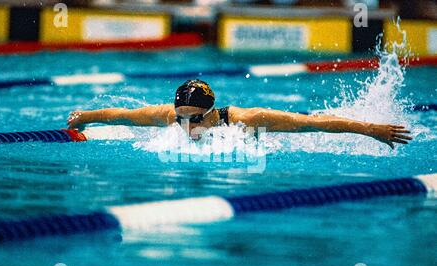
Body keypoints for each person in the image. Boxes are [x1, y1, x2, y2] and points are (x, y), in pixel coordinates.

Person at [67, 79, 412, 148]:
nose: (187, 127)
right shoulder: (169, 116)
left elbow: (312, 124)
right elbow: (122, 115)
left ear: (212, 113)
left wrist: (370, 128)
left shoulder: (246, 120)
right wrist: (86, 116)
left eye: (195, 119)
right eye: (182, 118)